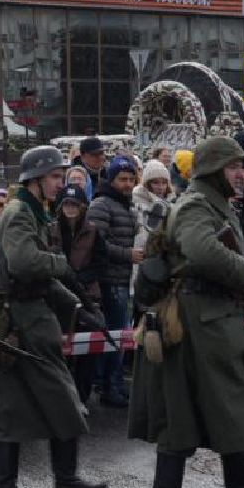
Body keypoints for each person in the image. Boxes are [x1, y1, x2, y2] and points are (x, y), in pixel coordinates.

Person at [128, 135, 244, 488]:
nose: (242, 173)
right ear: (214, 171)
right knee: (191, 412)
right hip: (199, 320)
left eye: (243, 166)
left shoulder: (214, 203)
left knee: (222, 408)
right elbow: (200, 251)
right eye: (233, 167)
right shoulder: (198, 205)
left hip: (210, 317)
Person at [0, 145, 107, 488]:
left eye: (61, 176)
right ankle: (56, 482)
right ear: (34, 179)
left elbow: (43, 279)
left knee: (11, 409)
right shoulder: (19, 214)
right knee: (50, 400)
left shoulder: (34, 212)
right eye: (53, 176)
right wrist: (60, 263)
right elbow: (25, 264)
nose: (59, 182)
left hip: (24, 315)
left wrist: (77, 307)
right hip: (20, 320)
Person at [87, 155, 140, 407]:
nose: (127, 184)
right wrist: (127, 254)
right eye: (122, 179)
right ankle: (110, 386)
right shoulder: (102, 204)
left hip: (122, 278)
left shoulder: (124, 205)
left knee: (119, 334)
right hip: (109, 280)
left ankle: (114, 383)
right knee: (114, 335)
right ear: (112, 180)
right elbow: (97, 244)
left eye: (131, 179)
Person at [54, 187, 106, 404]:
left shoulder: (93, 231)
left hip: (87, 296)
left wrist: (81, 279)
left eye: (74, 204)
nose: (70, 208)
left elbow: (101, 263)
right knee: (60, 351)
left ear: (83, 206)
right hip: (58, 296)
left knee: (87, 351)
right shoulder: (51, 229)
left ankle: (82, 398)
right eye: (66, 204)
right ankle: (62, 399)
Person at [132, 159, 172, 255]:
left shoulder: (171, 202)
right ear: (147, 184)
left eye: (164, 182)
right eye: (156, 182)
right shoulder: (137, 202)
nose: (161, 187)